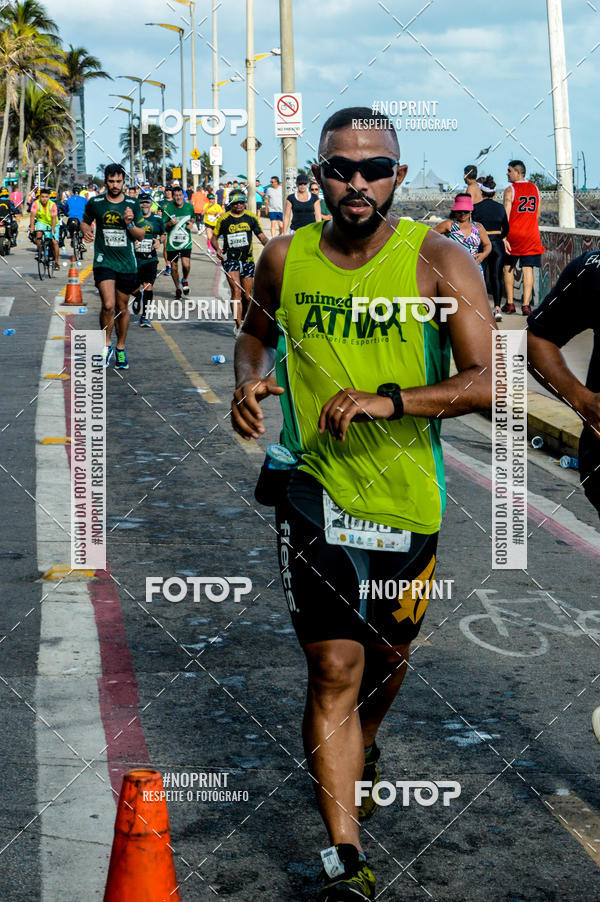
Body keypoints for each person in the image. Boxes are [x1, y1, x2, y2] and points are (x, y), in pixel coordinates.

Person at [230, 105, 494, 901]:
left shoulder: (440, 261)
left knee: (386, 657)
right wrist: (245, 379)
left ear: (399, 177)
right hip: (314, 487)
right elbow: (254, 332)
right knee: (334, 663)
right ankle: (344, 855)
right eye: (340, 167)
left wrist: (392, 400)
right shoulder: (284, 258)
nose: (357, 182)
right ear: (318, 177)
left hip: (409, 498)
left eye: (374, 167)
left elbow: (489, 381)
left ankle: (366, 739)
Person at [81, 163, 145, 370]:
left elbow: (141, 235)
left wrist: (129, 223)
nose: (115, 185)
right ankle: (105, 344)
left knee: (121, 308)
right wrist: (85, 231)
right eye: (111, 181)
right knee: (108, 305)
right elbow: (85, 221)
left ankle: (120, 347)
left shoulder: (132, 204)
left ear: (124, 181)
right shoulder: (96, 202)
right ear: (105, 181)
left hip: (126, 263)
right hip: (103, 261)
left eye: (118, 181)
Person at [211, 189, 268, 335]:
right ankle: (238, 325)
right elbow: (214, 238)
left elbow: (262, 237)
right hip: (231, 260)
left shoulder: (251, 218)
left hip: (247, 260)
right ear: (231, 204)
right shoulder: (223, 220)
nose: (239, 205)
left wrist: (271, 248)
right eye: (236, 203)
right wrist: (217, 249)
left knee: (247, 296)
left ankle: (243, 318)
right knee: (236, 290)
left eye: (242, 202)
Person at [502, 159, 545, 316]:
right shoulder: (535, 188)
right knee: (528, 270)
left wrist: (503, 237)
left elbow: (505, 215)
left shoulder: (510, 190)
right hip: (531, 235)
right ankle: (526, 306)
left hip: (514, 235)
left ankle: (510, 303)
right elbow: (538, 214)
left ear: (517, 173)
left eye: (509, 170)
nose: (507, 173)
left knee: (508, 268)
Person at [473, 176, 509, 321]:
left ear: (481, 192)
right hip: (497, 244)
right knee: (496, 276)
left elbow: (472, 227)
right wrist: (500, 238)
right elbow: (506, 228)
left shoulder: (476, 208)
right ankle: (497, 308)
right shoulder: (500, 208)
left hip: (482, 244)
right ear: (494, 194)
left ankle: (481, 307)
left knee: (479, 276)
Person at [131, 192, 166, 327]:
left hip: (150, 259)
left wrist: (159, 241)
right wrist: (131, 242)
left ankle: (145, 316)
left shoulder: (157, 218)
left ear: (151, 203)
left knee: (148, 286)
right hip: (135, 259)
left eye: (147, 202)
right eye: (141, 202)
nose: (144, 205)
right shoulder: (133, 219)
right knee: (132, 288)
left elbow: (163, 234)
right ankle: (137, 297)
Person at [434, 194, 491, 272]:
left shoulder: (478, 227)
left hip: (475, 269)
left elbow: (487, 244)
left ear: (470, 211)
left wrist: (483, 255)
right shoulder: (449, 225)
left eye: (466, 211)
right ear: (455, 211)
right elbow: (429, 236)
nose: (462, 213)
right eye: (459, 211)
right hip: (453, 269)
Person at [162, 184, 195, 299]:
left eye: (180, 195)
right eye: (175, 195)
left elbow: (192, 218)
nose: (178, 198)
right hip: (172, 243)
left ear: (183, 195)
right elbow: (163, 226)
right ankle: (177, 287)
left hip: (186, 241)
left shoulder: (189, 207)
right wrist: (170, 223)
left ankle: (185, 279)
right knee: (174, 267)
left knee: (186, 265)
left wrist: (192, 224)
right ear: (173, 196)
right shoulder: (168, 209)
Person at [29, 187, 60, 270]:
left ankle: (56, 262)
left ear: (48, 197)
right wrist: (32, 227)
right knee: (38, 233)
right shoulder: (36, 203)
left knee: (54, 242)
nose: (44, 199)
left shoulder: (52, 204)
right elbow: (32, 215)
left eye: (46, 197)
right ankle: (39, 252)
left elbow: (54, 218)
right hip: (42, 222)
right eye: (42, 197)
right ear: (39, 197)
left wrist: (53, 228)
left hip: (53, 224)